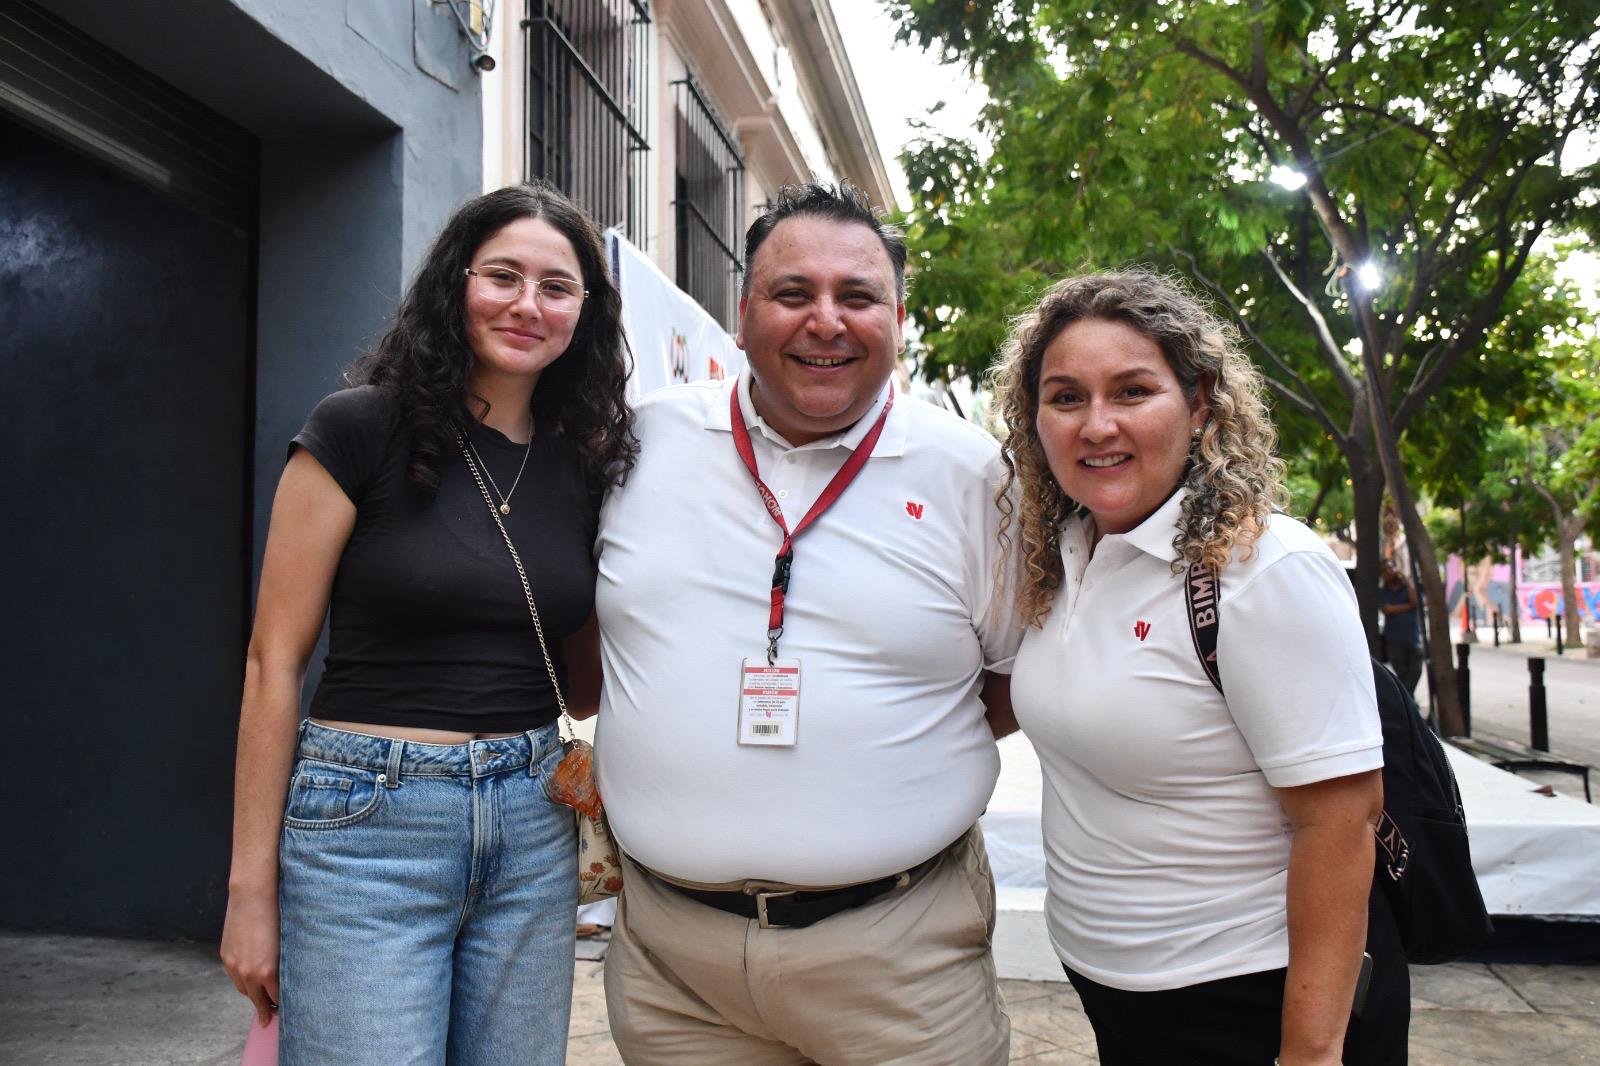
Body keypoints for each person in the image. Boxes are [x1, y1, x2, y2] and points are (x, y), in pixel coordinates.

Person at [592, 182, 1019, 1065]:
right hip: (676, 975)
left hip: (903, 964)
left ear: (899, 320)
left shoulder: (978, 479)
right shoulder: (636, 447)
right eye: (793, 295)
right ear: (741, 314)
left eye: (857, 297)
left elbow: (1015, 678)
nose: (826, 321)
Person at [218, 183, 636, 1065]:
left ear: (585, 313)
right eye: (503, 276)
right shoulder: (359, 428)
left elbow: (583, 684)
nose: (528, 304)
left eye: (557, 287)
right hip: (367, 818)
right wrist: (250, 890)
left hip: (531, 822)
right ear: (456, 283)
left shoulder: (587, 462)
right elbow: (272, 662)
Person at [992, 270, 1407, 1065]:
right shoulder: (1067, 555)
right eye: (1066, 396)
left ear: (1202, 403)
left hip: (1245, 996)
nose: (1097, 424)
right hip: (1115, 989)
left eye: (1133, 391)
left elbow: (1342, 821)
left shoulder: (1263, 569)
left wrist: (1310, 1054)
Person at [1381, 558, 1425, 694]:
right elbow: (1388, 609)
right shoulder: (1383, 592)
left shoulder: (1407, 587)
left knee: (1416, 670)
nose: (1389, 572)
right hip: (1394, 639)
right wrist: (1409, 606)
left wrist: (1406, 579)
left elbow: (1416, 602)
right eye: (1385, 570)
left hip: (1412, 637)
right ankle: (1408, 700)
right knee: (1402, 672)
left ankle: (1408, 699)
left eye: (1391, 568)